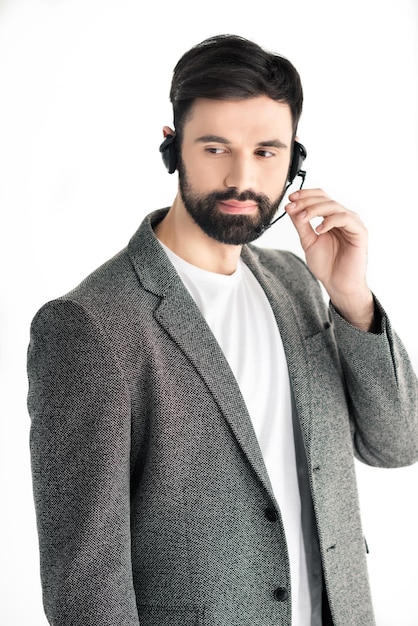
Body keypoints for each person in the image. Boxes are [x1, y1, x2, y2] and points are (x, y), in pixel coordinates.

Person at [27, 34, 418, 626]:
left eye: (266, 152)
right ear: (172, 149)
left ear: (295, 159)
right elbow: (85, 582)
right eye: (215, 148)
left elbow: (396, 443)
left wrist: (352, 300)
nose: (242, 178)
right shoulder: (91, 325)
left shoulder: (296, 282)